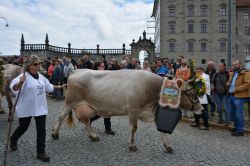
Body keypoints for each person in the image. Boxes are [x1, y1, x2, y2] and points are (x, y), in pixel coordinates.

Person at [9, 55, 62, 162]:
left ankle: (41, 152)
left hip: (40, 107)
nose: (38, 66)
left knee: (41, 130)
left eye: (39, 64)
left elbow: (49, 87)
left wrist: (59, 87)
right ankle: (13, 139)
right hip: (27, 107)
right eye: (35, 64)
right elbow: (14, 88)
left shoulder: (41, 77)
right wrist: (20, 82)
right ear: (29, 66)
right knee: (23, 127)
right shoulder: (23, 76)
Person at [90, 61, 115, 135]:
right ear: (98, 67)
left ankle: (107, 128)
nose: (104, 67)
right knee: (103, 112)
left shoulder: (104, 74)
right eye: (102, 66)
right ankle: (107, 129)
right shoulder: (94, 75)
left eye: (104, 66)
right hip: (97, 96)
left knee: (105, 112)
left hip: (105, 95)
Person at [227, 60, 250, 136]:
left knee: (238, 114)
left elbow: (247, 84)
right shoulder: (233, 74)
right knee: (232, 113)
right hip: (231, 95)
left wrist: (236, 89)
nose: (234, 66)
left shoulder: (245, 73)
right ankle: (236, 127)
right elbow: (231, 83)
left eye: (236, 64)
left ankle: (240, 130)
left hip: (239, 96)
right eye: (233, 65)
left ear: (240, 65)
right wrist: (228, 83)